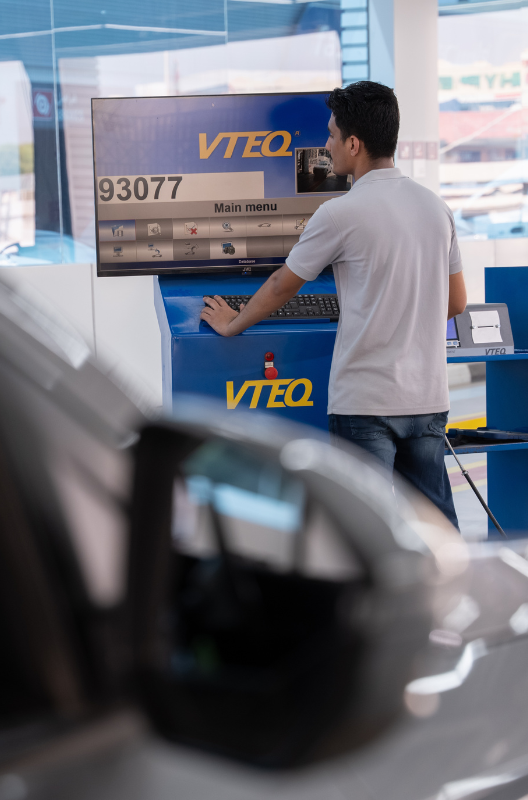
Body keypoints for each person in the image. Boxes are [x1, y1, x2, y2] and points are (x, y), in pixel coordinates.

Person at [200, 81, 467, 528]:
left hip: (366, 404)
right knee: (434, 528)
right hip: (427, 399)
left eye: (330, 135)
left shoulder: (340, 213)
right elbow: (456, 302)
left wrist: (233, 323)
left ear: (354, 144)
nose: (326, 145)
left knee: (363, 529)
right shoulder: (435, 208)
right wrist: (402, 316)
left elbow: (283, 284)